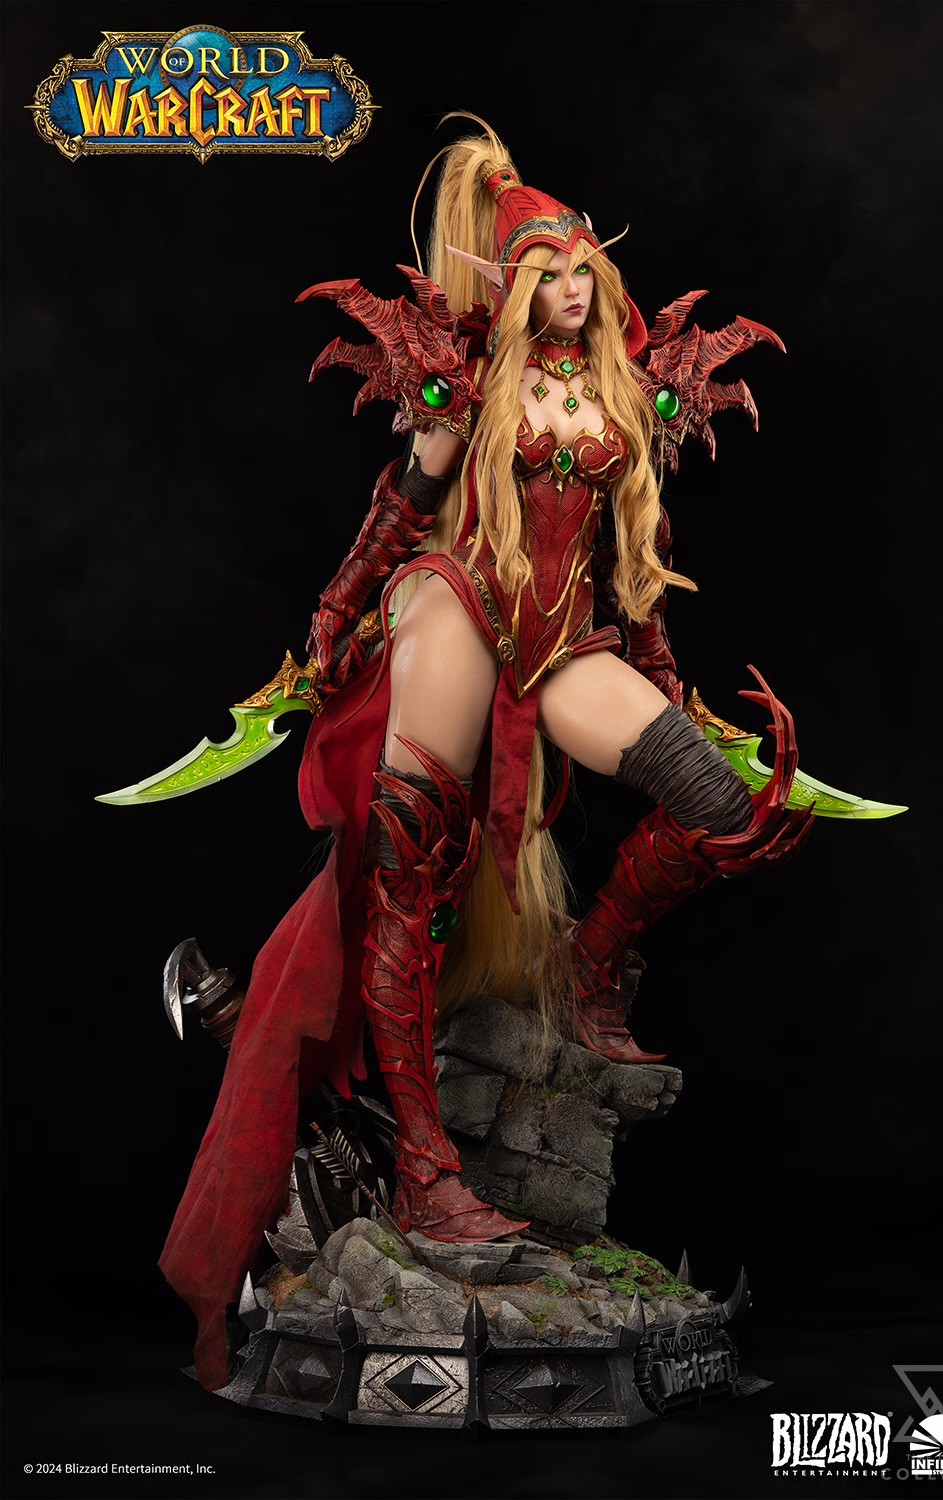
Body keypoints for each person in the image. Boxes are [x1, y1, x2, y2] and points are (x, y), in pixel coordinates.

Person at [160, 119, 810, 1390]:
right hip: (457, 603)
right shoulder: (467, 388)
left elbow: (633, 568)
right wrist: (333, 615)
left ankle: (587, 967)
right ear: (512, 288)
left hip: (564, 636)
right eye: (547, 273)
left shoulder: (625, 396)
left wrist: (664, 679)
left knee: (725, 809)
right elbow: (402, 503)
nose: (572, 291)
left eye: (583, 271)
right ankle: (424, 1168)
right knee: (410, 868)